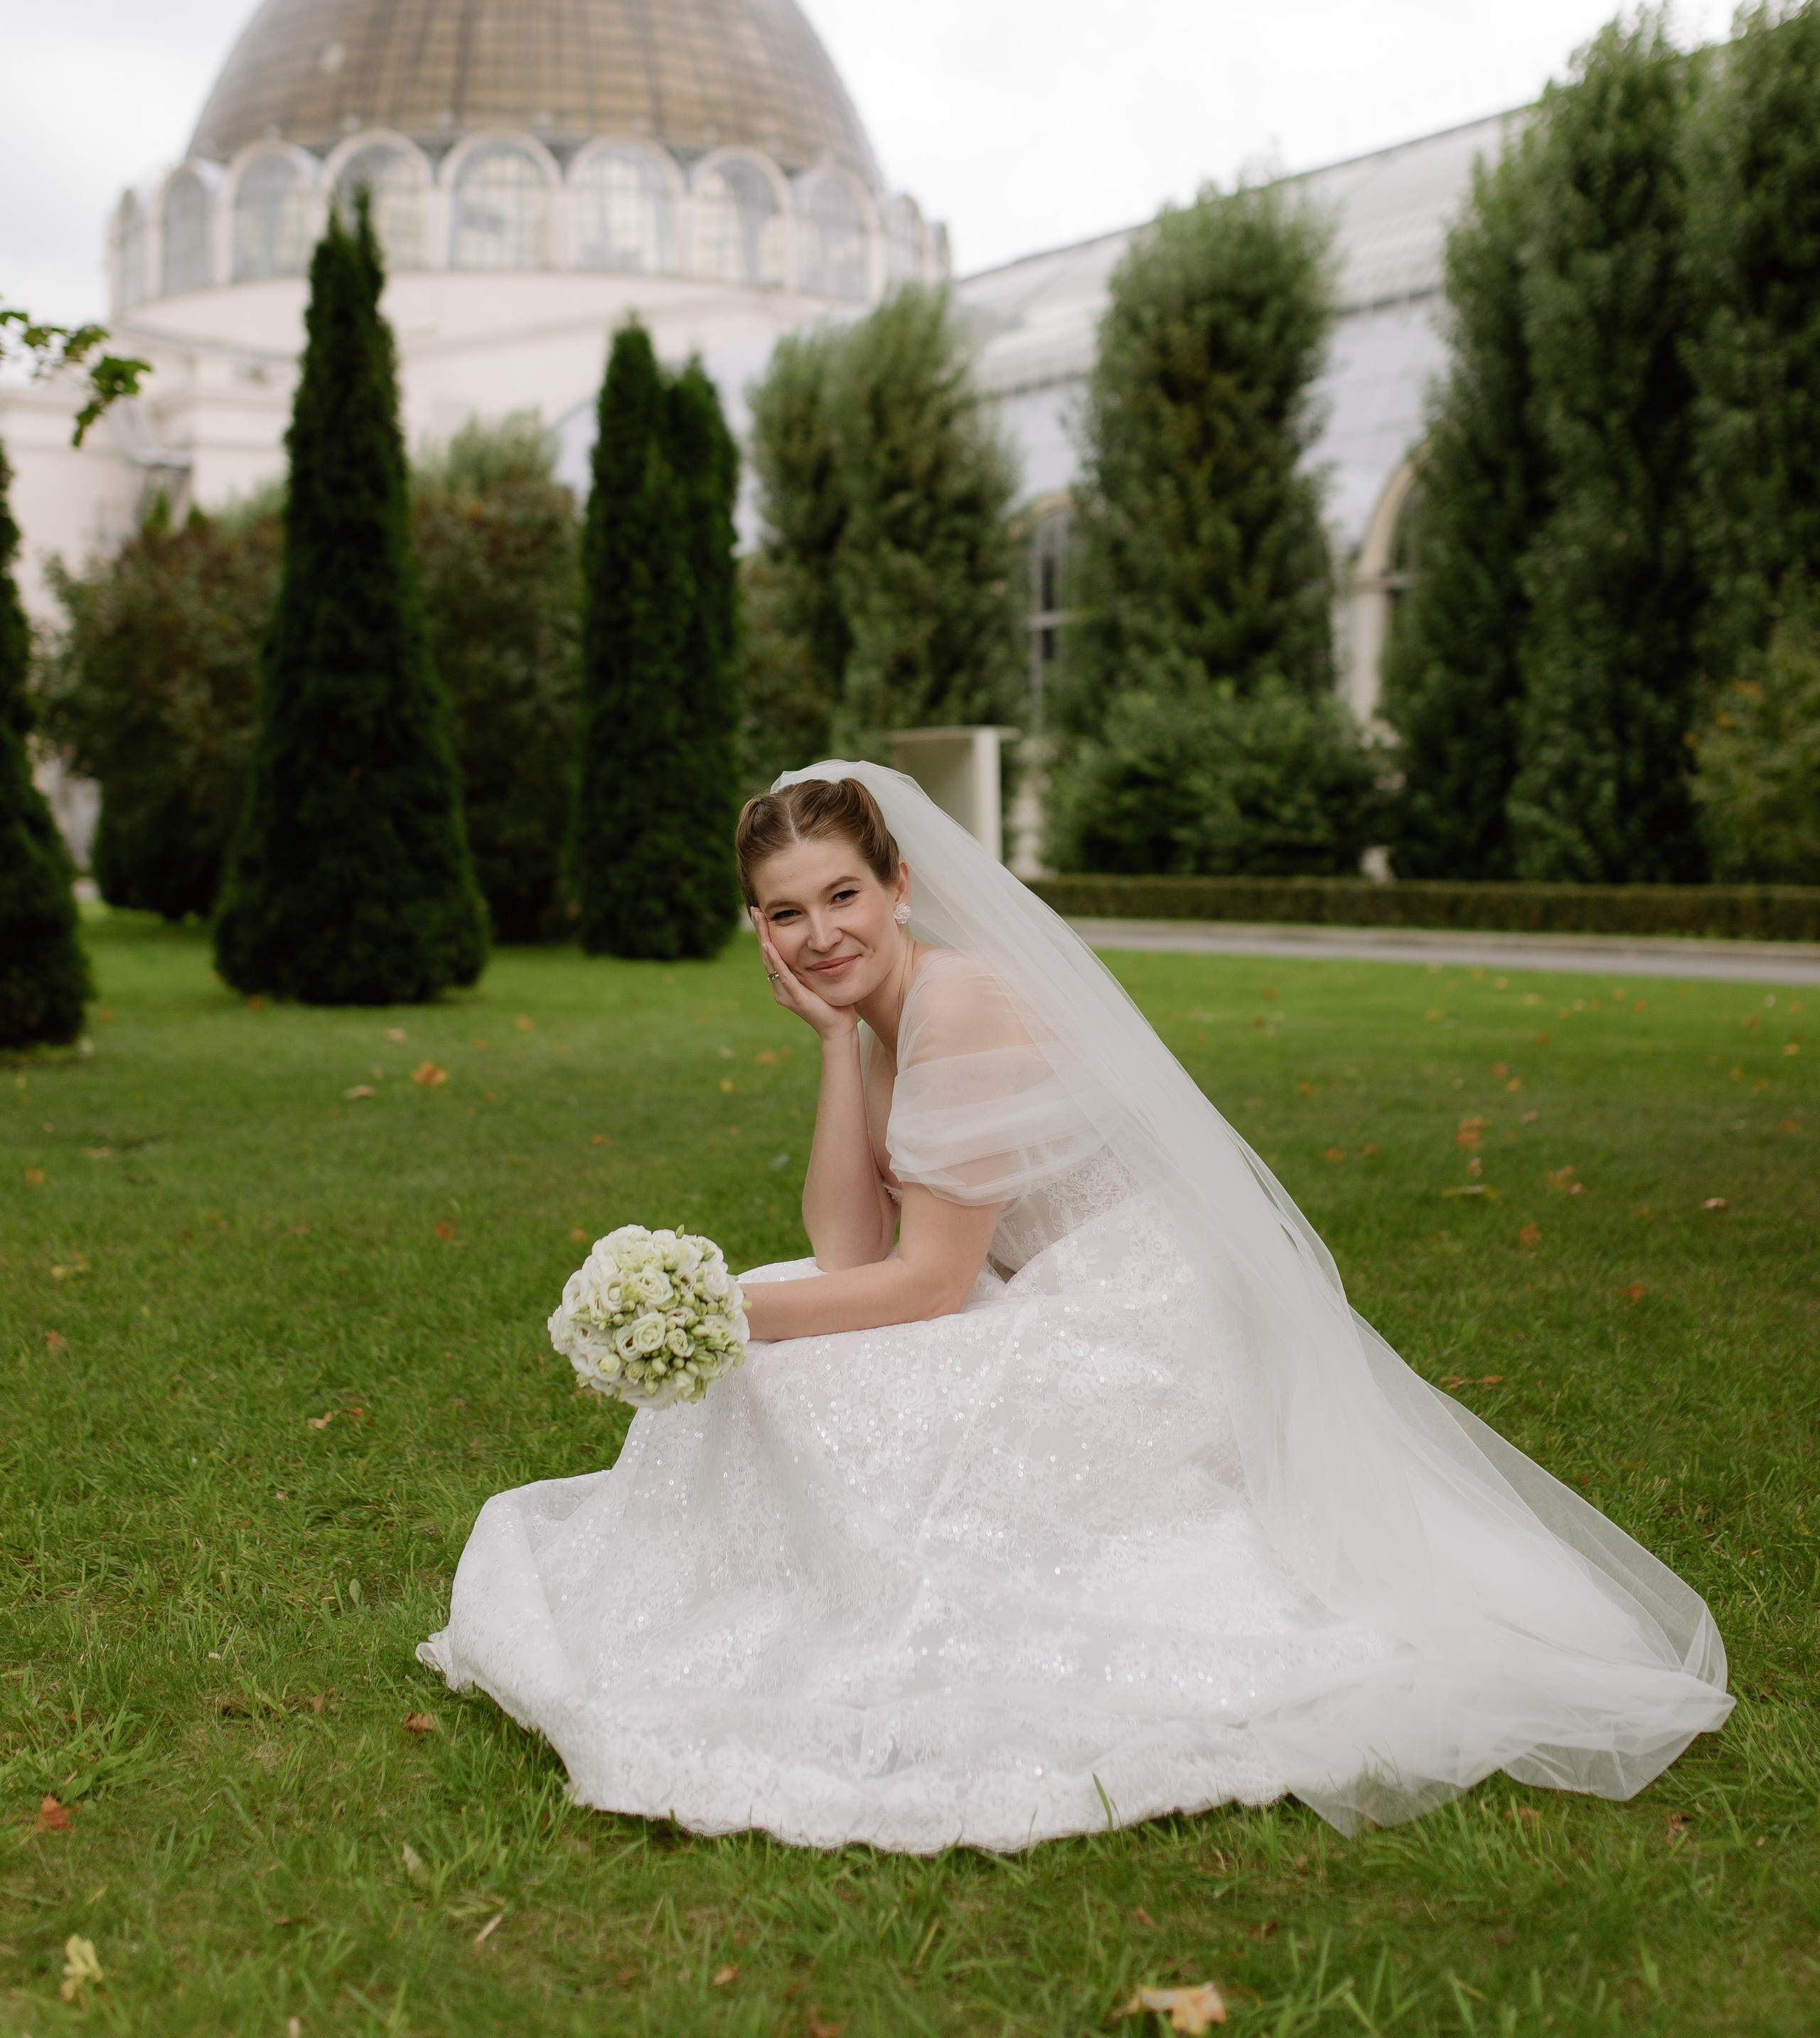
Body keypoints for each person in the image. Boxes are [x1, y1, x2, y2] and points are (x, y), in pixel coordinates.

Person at [418, 762, 1730, 1852]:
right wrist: (830, 1043)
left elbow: (923, 1283)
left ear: (900, 887)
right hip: (1025, 1283)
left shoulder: (965, 1003)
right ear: (754, 928)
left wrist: (733, 1316)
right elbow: (844, 1242)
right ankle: (779, 1589)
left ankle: (848, 1602)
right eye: (783, 913)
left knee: (783, 1338)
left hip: (1141, 1312)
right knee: (786, 1317)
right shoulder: (880, 1017)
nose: (821, 935)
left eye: (842, 897)